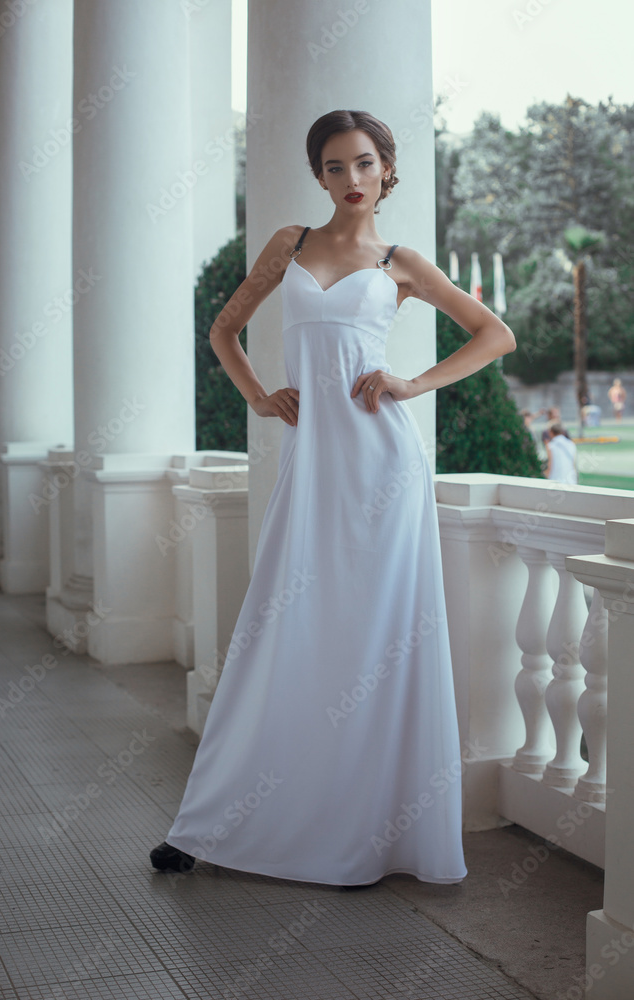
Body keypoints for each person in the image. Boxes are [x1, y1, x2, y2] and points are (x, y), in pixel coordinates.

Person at [149, 109, 516, 888]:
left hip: (384, 471)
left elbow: (494, 335)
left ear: (386, 168)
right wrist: (258, 397)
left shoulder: (400, 262)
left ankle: (369, 833)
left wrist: (413, 383)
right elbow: (223, 330)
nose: (351, 179)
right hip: (311, 467)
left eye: (364, 163)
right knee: (278, 631)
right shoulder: (289, 245)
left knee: (377, 644)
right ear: (317, 175)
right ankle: (210, 823)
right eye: (334, 166)